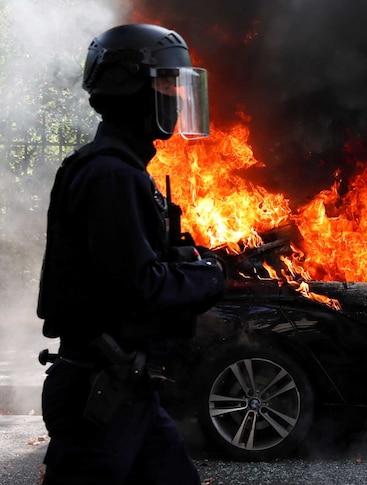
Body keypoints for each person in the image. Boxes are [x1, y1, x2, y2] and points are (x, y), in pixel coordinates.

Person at [36, 24, 225, 484]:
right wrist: (210, 276)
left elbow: (122, 265)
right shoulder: (112, 177)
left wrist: (182, 260)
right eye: (166, 84)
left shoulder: (113, 168)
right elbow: (138, 287)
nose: (177, 100)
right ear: (135, 91)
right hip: (100, 391)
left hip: (125, 388)